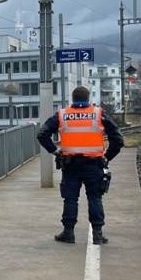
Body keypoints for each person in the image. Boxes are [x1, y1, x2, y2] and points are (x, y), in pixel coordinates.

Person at [37, 86, 124, 245]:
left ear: (73, 98)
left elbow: (42, 134)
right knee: (95, 197)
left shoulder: (62, 115)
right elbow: (118, 139)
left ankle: (68, 233)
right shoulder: (98, 114)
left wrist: (55, 151)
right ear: (88, 98)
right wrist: (107, 157)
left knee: (70, 199)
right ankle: (97, 235)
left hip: (71, 165)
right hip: (94, 164)